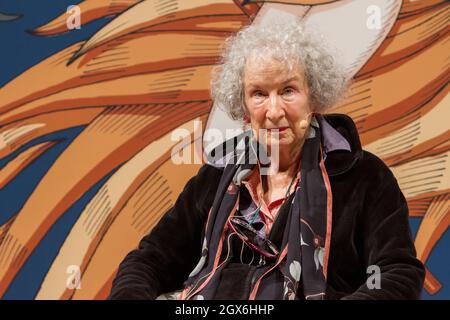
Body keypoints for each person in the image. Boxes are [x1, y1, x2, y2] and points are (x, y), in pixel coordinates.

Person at [108, 19, 425, 300]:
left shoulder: (364, 176)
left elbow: (396, 273)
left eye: (288, 90)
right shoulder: (215, 177)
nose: (274, 112)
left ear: (313, 95)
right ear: (243, 107)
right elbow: (147, 261)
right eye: (259, 94)